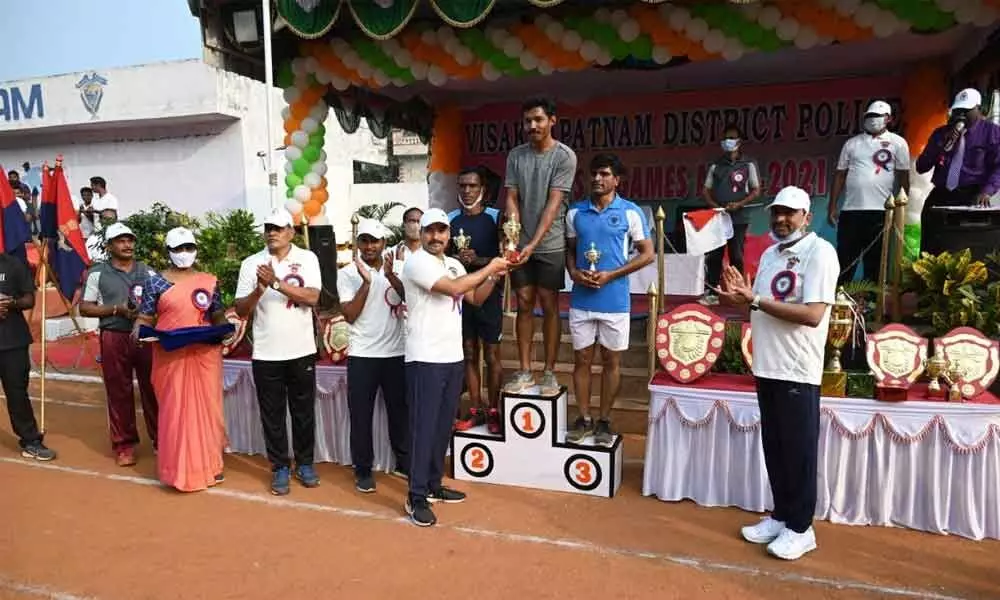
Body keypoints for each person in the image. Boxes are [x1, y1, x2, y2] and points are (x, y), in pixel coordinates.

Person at [717, 186, 839, 561]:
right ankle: (781, 515)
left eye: (789, 213)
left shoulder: (820, 253)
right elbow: (761, 307)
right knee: (776, 447)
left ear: (807, 216)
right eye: (776, 213)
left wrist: (753, 299)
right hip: (767, 365)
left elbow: (813, 314)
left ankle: (802, 528)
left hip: (798, 370)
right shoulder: (770, 254)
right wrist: (740, 298)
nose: (781, 220)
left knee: (799, 452)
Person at [400, 208, 509, 527]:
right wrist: (489, 265)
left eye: (441, 231)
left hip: (451, 357)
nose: (436, 237)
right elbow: (454, 289)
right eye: (430, 231)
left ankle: (433, 485)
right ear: (421, 234)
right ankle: (415, 495)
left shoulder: (454, 264)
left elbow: (473, 297)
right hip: (424, 357)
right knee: (423, 428)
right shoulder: (417, 261)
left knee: (442, 425)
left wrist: (492, 276)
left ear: (449, 235)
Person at [565, 154, 654, 445]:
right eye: (593, 174)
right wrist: (574, 272)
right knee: (581, 360)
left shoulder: (630, 213)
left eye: (604, 174)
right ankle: (584, 417)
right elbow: (570, 249)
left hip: (615, 301)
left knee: (611, 361)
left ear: (617, 180)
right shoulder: (575, 212)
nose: (597, 179)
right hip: (581, 300)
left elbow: (647, 253)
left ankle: (604, 419)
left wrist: (612, 275)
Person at [234, 209, 322, 496]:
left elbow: (312, 297)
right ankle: (279, 466)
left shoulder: (307, 259)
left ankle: (305, 463)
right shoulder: (251, 263)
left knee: (303, 412)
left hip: (301, 350)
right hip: (266, 352)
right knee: (272, 414)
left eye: (278, 228)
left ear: (290, 232)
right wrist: (259, 290)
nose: (272, 232)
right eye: (268, 228)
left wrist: (275, 283)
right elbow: (241, 309)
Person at [134, 227, 228, 492]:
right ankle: (177, 470)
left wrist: (225, 328)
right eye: (178, 249)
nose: (184, 254)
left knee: (209, 410)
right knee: (175, 412)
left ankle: (211, 465)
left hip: (204, 355)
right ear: (169, 252)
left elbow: (217, 312)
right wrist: (138, 330)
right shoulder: (156, 282)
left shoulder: (209, 281)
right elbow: (146, 316)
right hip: (170, 357)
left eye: (188, 247)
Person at [504, 96, 578, 394]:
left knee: (549, 305)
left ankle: (549, 371)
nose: (532, 126)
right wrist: (513, 237)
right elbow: (511, 197)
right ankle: (524, 370)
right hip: (520, 243)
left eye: (538, 119)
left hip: (549, 244)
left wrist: (532, 244)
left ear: (552, 121)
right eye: (527, 121)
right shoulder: (516, 156)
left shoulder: (564, 156)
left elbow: (554, 203)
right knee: (522, 303)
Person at [337, 218, 410, 493]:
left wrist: (392, 276)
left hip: (396, 353)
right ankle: (363, 469)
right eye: (365, 240)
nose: (369, 246)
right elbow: (350, 315)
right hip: (363, 355)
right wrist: (366, 284)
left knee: (399, 413)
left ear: (384, 243)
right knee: (361, 416)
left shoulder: (400, 268)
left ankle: (404, 462)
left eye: (375, 241)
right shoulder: (347, 273)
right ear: (359, 243)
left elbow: (411, 301)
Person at [79, 223, 158, 467]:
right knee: (118, 391)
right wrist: (116, 309)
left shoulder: (148, 271)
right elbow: (85, 306)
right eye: (121, 241)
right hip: (114, 335)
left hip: (145, 336)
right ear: (109, 246)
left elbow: (163, 300)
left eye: (130, 240)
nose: (127, 245)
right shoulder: (97, 273)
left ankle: (161, 439)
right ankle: (124, 445)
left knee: (152, 388)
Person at [828, 100, 910, 284]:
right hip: (851, 211)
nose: (872, 120)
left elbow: (904, 177)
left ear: (888, 118)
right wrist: (832, 206)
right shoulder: (852, 144)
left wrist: (902, 206)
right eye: (869, 116)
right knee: (846, 258)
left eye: (877, 117)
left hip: (881, 211)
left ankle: (873, 306)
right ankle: (842, 299)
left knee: (876, 262)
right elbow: (840, 175)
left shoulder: (898, 143)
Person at [449, 167, 504, 434]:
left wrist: (479, 261)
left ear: (483, 188)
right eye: (462, 186)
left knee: (492, 355)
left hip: (490, 295)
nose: (467, 191)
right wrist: (458, 261)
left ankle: (494, 410)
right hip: (461, 297)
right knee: (469, 352)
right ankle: (476, 409)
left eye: (472, 186)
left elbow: (506, 255)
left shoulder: (497, 218)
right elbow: (444, 259)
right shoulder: (450, 220)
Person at [916, 88, 1000, 255]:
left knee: (965, 246)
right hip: (942, 193)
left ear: (978, 109)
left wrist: (987, 191)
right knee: (932, 242)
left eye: (966, 111)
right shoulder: (941, 133)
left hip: (972, 194)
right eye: (958, 110)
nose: (960, 115)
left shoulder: (992, 132)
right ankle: (929, 277)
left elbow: (998, 166)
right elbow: (921, 166)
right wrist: (942, 145)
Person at [0, 251, 56, 461]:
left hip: (13, 342)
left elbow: (29, 299)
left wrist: (9, 303)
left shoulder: (13, 264)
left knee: (17, 394)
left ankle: (31, 440)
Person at [701, 125, 761, 302]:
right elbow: (706, 190)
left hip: (739, 217)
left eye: (732, 138)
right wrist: (715, 207)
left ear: (739, 141)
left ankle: (738, 292)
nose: (729, 141)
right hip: (719, 217)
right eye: (726, 137)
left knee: (736, 255)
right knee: (715, 255)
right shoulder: (716, 165)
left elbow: (756, 190)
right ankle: (711, 292)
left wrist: (739, 204)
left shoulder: (748, 164)